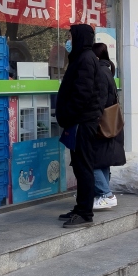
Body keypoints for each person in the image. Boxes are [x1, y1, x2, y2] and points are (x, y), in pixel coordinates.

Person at [55, 24, 106, 228]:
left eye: (70, 36)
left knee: (83, 167)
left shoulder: (85, 59)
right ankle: (80, 207)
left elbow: (82, 94)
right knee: (79, 166)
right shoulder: (82, 57)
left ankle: (85, 213)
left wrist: (68, 115)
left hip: (82, 122)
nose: (68, 40)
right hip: (80, 121)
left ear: (80, 38)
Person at [90, 42, 125, 210]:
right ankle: (103, 194)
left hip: (101, 125)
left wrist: (93, 120)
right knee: (102, 162)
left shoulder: (100, 73)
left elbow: (100, 100)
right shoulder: (107, 70)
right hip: (108, 125)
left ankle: (107, 195)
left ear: (96, 57)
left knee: (91, 162)